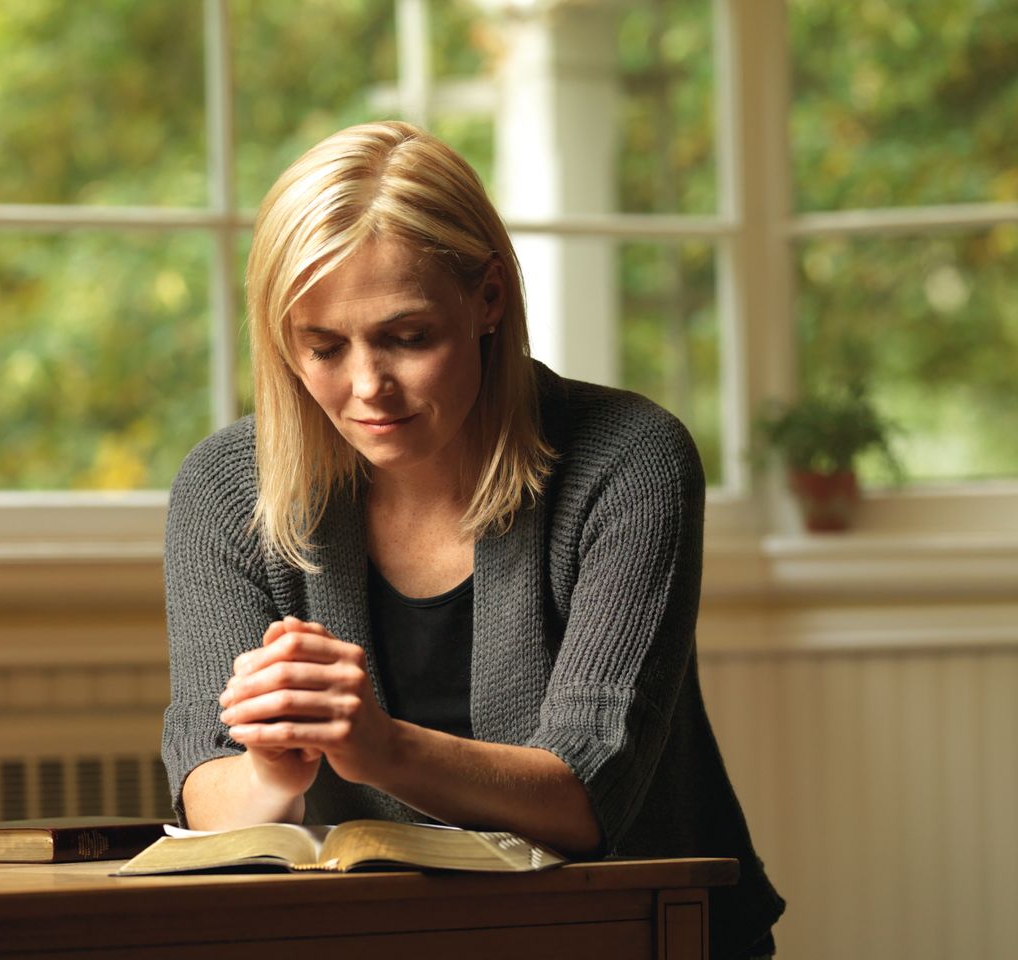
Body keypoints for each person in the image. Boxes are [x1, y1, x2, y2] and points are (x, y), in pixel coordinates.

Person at [161, 121, 784, 959]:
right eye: (323, 347)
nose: (367, 387)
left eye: (408, 337)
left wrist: (377, 747)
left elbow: (587, 796)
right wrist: (274, 772)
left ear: (489, 298)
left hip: (638, 933)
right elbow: (209, 791)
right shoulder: (227, 489)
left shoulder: (629, 460)